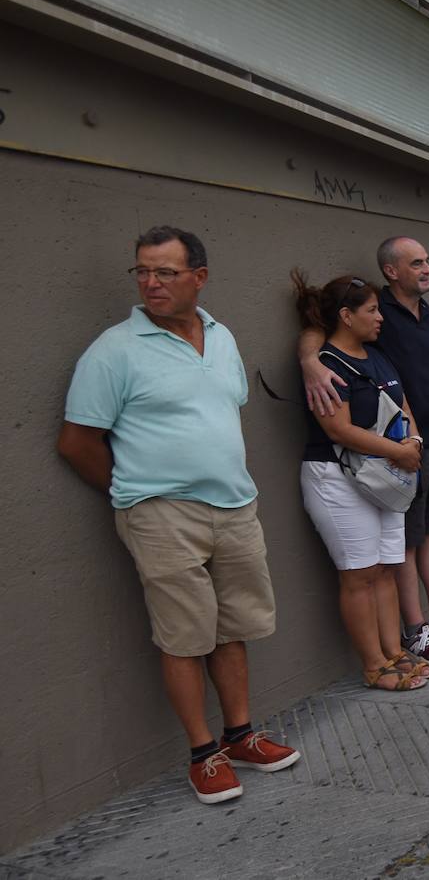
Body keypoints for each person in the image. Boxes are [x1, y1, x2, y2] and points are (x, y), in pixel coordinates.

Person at [58, 226, 300, 806]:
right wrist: (134, 493)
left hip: (235, 505)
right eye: (142, 271)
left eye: (165, 272)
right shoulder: (113, 349)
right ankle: (203, 753)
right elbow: (76, 442)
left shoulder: (221, 336)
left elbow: (223, 410)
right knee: (184, 637)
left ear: (200, 276)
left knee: (233, 627)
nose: (150, 283)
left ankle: (240, 735)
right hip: (161, 515)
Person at [301, 237, 429, 669]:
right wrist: (308, 360)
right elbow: (323, 326)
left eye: (428, 260)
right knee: (404, 542)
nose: (428, 269)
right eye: (417, 263)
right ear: (392, 271)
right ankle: (416, 630)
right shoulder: (377, 313)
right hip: (393, 452)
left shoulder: (427, 314)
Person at [292, 272, 429, 693]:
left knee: (387, 569)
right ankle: (373, 664)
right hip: (338, 478)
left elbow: (401, 402)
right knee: (360, 574)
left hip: (387, 477)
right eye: (371, 310)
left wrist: (414, 441)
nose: (380, 318)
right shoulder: (328, 365)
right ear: (345, 316)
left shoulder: (377, 355)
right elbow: (338, 429)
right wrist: (400, 453)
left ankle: (394, 652)